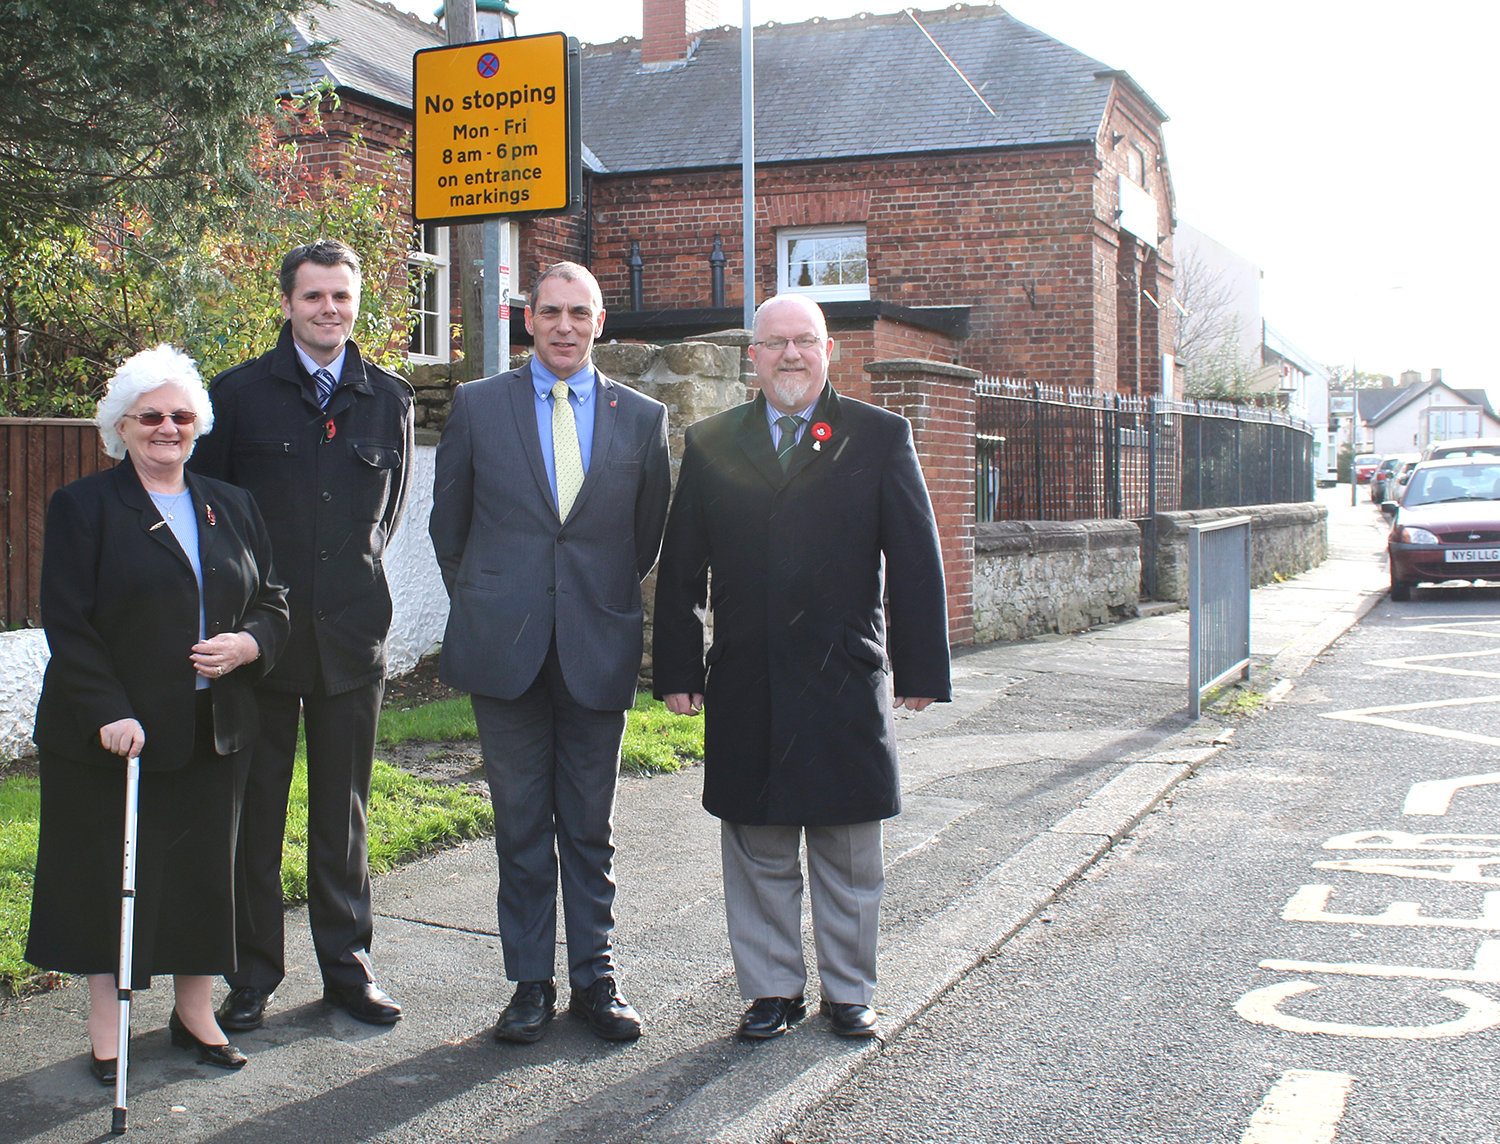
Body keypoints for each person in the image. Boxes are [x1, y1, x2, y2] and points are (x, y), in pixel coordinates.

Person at [653, 293, 951, 1040]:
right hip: (747, 675)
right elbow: (682, 570)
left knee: (847, 843)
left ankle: (849, 991)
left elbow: (916, 559)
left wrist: (920, 669)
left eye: (805, 341)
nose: (790, 355)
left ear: (829, 351)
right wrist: (679, 670)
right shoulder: (713, 440)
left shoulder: (879, 436)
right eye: (775, 343)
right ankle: (771, 990)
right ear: (752, 356)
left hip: (843, 674)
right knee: (757, 839)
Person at [28, 346, 289, 1081]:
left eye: (180, 415)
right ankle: (107, 1026)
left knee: (205, 875)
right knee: (105, 878)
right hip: (115, 737)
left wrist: (248, 642)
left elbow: (274, 599)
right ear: (123, 425)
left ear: (198, 425)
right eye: (151, 416)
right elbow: (68, 622)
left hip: (216, 727)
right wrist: (108, 709)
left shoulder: (230, 504)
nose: (167, 428)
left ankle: (194, 1013)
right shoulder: (84, 506)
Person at [429, 261, 671, 1044]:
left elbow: (644, 535)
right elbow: (449, 529)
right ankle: (530, 983)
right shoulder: (477, 406)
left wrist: (584, 598)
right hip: (504, 651)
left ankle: (596, 981)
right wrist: (501, 597)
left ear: (600, 323)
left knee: (590, 827)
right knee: (522, 822)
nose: (564, 325)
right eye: (550, 311)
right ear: (526, 319)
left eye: (580, 312)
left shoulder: (641, 418)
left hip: (597, 645)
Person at [188, 239, 415, 1029]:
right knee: (258, 813)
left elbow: (383, 520)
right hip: (262, 648)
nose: (329, 310)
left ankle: (348, 968)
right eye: (314, 296)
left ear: (357, 303)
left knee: (343, 813)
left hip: (353, 642)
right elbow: (211, 522)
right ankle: (252, 974)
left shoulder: (389, 397)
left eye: (342, 297)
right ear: (286, 302)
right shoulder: (238, 396)